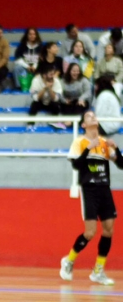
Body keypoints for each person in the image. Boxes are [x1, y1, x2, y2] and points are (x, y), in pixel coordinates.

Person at [60, 110, 123, 285]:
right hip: (89, 190)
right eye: (89, 116)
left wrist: (116, 148)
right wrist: (88, 148)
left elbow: (121, 164)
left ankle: (98, 270)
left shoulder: (104, 143)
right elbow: (76, 165)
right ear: (83, 125)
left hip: (105, 189)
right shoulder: (79, 142)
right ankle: (69, 260)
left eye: (94, 116)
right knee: (90, 232)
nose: (93, 117)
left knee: (109, 229)